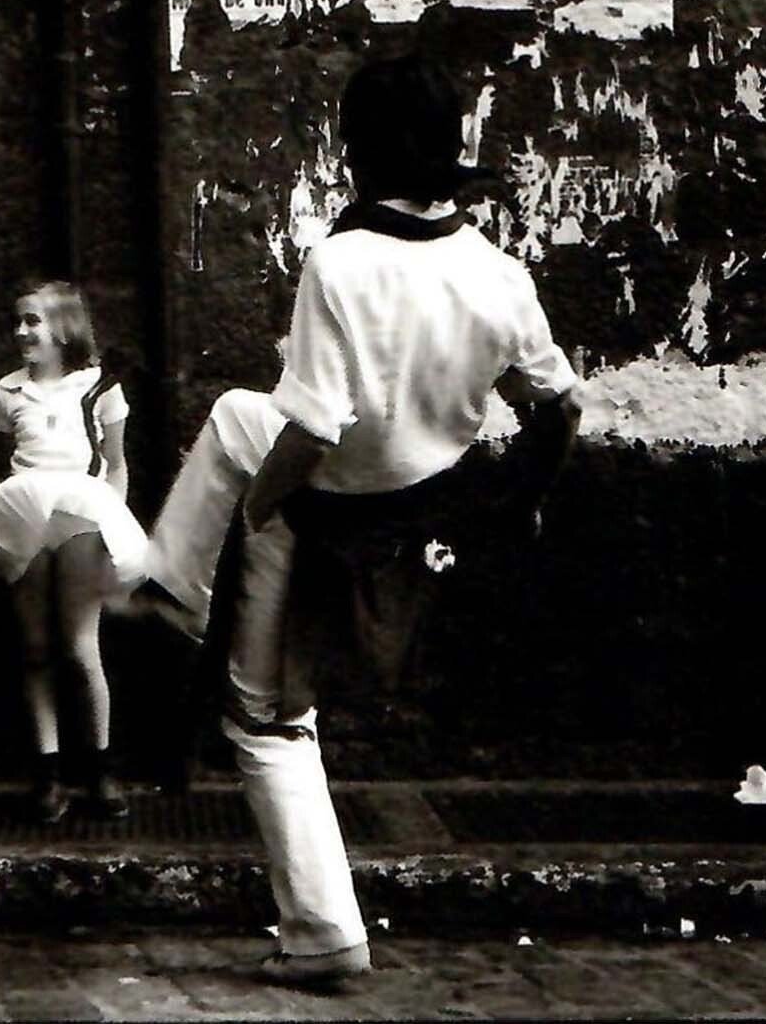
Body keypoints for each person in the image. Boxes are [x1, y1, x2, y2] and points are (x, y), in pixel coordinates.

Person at [140, 55, 583, 989]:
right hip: (418, 501)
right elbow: (558, 404)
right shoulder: (498, 273)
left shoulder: (338, 264)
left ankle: (322, 932)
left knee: (262, 715)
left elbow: (313, 429)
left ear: (357, 151)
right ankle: (172, 586)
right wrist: (521, 499)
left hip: (325, 503)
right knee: (235, 413)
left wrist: (255, 510)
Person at [0, 280, 146, 824]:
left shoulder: (99, 387)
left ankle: (100, 768)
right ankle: (47, 772)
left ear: (64, 328)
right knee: (35, 646)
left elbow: (116, 463)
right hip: (26, 513)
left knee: (79, 644)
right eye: (18, 321)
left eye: (33, 321)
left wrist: (112, 519)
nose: (22, 331)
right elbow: (12, 456)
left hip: (81, 514)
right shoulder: (8, 392)